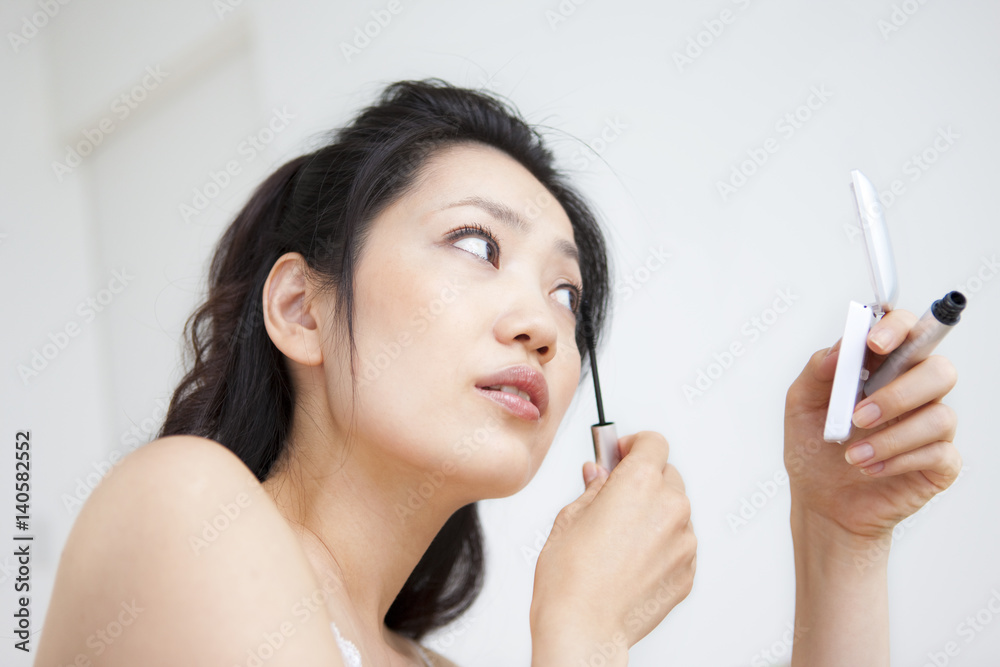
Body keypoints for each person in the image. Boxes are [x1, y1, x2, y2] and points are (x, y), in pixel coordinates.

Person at [35, 78, 960, 667]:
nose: (543, 327)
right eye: (476, 244)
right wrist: (583, 638)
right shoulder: (180, 504)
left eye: (567, 294)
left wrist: (838, 530)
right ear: (301, 309)